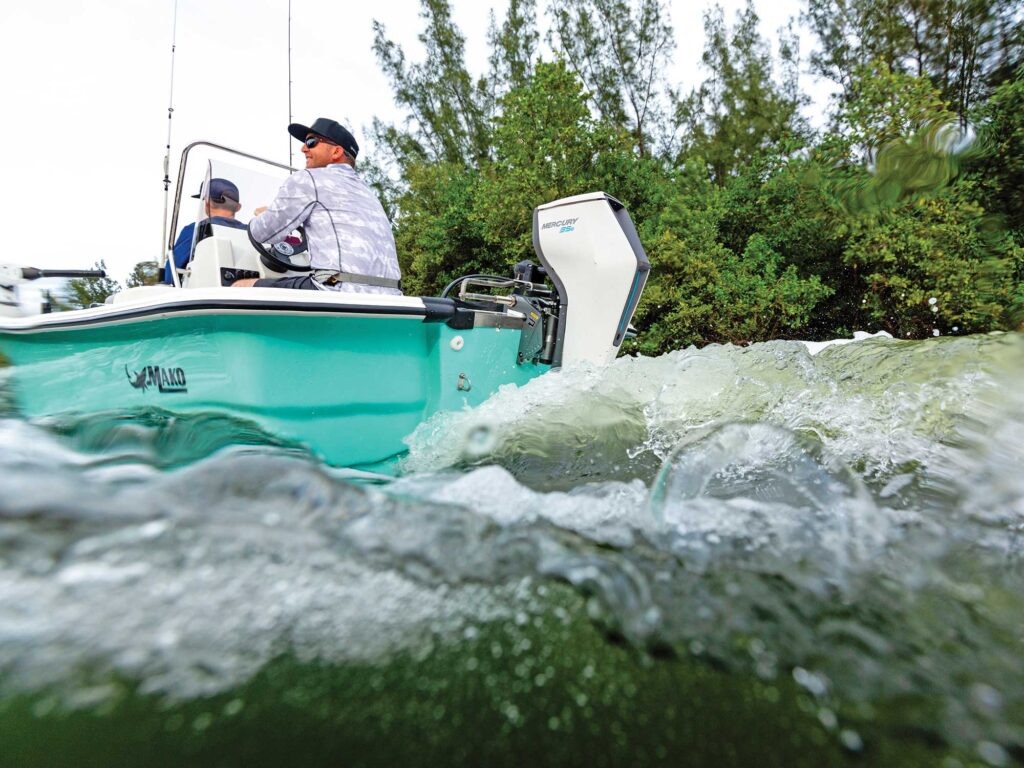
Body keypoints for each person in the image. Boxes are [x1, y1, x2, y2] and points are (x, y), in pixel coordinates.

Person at [232, 117, 402, 294]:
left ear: (336, 152)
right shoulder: (368, 194)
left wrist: (260, 216)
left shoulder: (308, 179)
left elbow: (262, 233)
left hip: (337, 290)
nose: (303, 148)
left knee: (239, 288)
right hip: (391, 297)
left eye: (311, 142)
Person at [164, 178, 247, 285]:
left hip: (204, 296)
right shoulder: (251, 232)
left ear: (206, 204)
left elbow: (171, 275)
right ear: (238, 207)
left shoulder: (195, 230)